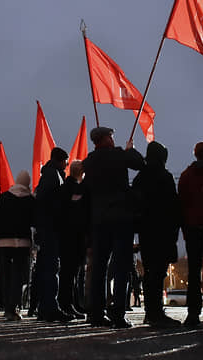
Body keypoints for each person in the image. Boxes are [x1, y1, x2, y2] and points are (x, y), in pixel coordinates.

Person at [82, 126, 145, 328]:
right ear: (107, 138)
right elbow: (140, 163)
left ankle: (96, 313)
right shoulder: (119, 155)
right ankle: (118, 313)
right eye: (111, 136)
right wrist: (130, 150)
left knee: (99, 268)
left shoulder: (88, 162)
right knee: (121, 267)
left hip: (99, 221)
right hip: (121, 218)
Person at [132, 141, 181, 328]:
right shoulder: (165, 177)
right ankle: (156, 312)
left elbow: (135, 205)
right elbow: (173, 206)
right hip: (162, 231)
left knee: (150, 271)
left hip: (146, 232)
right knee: (158, 273)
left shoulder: (139, 178)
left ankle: (150, 312)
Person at [177, 141, 203, 326]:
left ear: (195, 154)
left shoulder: (186, 175)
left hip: (193, 227)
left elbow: (182, 204)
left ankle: (193, 313)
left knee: (194, 272)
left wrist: (185, 229)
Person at [0, 170, 36, 322]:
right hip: (23, 242)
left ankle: (7, 307)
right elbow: (34, 221)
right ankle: (14, 306)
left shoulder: (4, 197)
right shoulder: (30, 199)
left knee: (5, 275)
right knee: (19, 276)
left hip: (4, 242)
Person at [35, 147, 71, 322]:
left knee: (48, 268)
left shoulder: (49, 175)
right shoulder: (53, 176)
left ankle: (46, 307)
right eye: (66, 161)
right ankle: (50, 307)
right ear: (60, 160)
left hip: (47, 228)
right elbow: (47, 202)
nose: (67, 165)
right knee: (51, 268)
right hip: (51, 228)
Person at [58, 160, 90, 317]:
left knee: (70, 272)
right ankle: (68, 304)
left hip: (66, 235)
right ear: (80, 172)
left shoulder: (65, 187)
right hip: (74, 236)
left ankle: (73, 303)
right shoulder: (74, 188)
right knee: (71, 273)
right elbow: (78, 212)